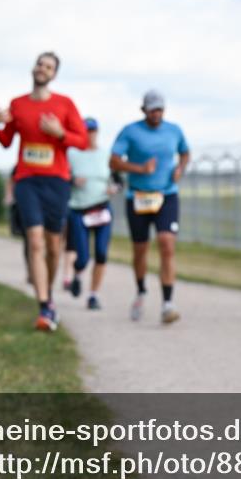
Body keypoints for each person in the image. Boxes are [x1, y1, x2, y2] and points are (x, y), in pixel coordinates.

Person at [0, 52, 88, 331]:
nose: (42, 69)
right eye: (40, 64)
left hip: (56, 181)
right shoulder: (18, 104)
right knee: (35, 242)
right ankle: (44, 307)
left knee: (53, 246)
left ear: (54, 74)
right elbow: (6, 141)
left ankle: (49, 295)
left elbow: (82, 141)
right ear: (34, 69)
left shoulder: (65, 104)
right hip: (27, 181)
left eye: (48, 66)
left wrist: (60, 134)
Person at [110, 90, 190, 324]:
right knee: (140, 249)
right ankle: (141, 291)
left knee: (166, 243)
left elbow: (185, 153)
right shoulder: (130, 131)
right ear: (143, 110)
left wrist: (180, 169)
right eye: (152, 109)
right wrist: (139, 169)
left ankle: (168, 303)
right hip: (138, 196)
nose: (156, 113)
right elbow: (113, 161)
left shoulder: (174, 130)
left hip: (166, 195)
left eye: (160, 109)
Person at [65, 118, 119, 310]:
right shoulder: (71, 154)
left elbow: (118, 180)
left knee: (102, 253)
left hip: (102, 208)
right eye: (86, 130)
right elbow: (61, 176)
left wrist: (114, 188)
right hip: (79, 210)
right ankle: (78, 274)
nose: (89, 134)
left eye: (92, 130)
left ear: (97, 132)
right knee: (83, 257)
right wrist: (72, 180)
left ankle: (93, 295)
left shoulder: (105, 155)